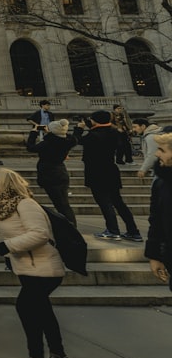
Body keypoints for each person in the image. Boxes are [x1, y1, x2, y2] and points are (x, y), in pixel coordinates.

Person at [0, 168, 71, 358]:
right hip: (29, 268)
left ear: (5, 185)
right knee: (42, 312)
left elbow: (40, 234)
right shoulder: (5, 207)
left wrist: (7, 246)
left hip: (43, 268)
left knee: (26, 308)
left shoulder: (26, 204)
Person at [74, 110, 142, 241]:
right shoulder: (114, 132)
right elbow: (101, 130)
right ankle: (133, 231)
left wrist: (78, 128)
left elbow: (77, 140)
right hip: (111, 170)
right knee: (118, 202)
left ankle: (113, 230)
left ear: (95, 121)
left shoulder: (93, 135)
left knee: (104, 202)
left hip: (96, 172)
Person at [26, 120, 77, 226]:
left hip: (50, 175)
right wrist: (53, 132)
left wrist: (33, 133)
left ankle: (70, 226)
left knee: (61, 204)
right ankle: (70, 224)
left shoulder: (47, 143)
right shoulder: (67, 141)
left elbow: (30, 147)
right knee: (64, 203)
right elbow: (66, 137)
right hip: (61, 172)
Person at [147, 132, 172, 292]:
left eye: (162, 150)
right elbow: (156, 221)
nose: (156, 153)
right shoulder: (161, 184)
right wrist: (154, 255)